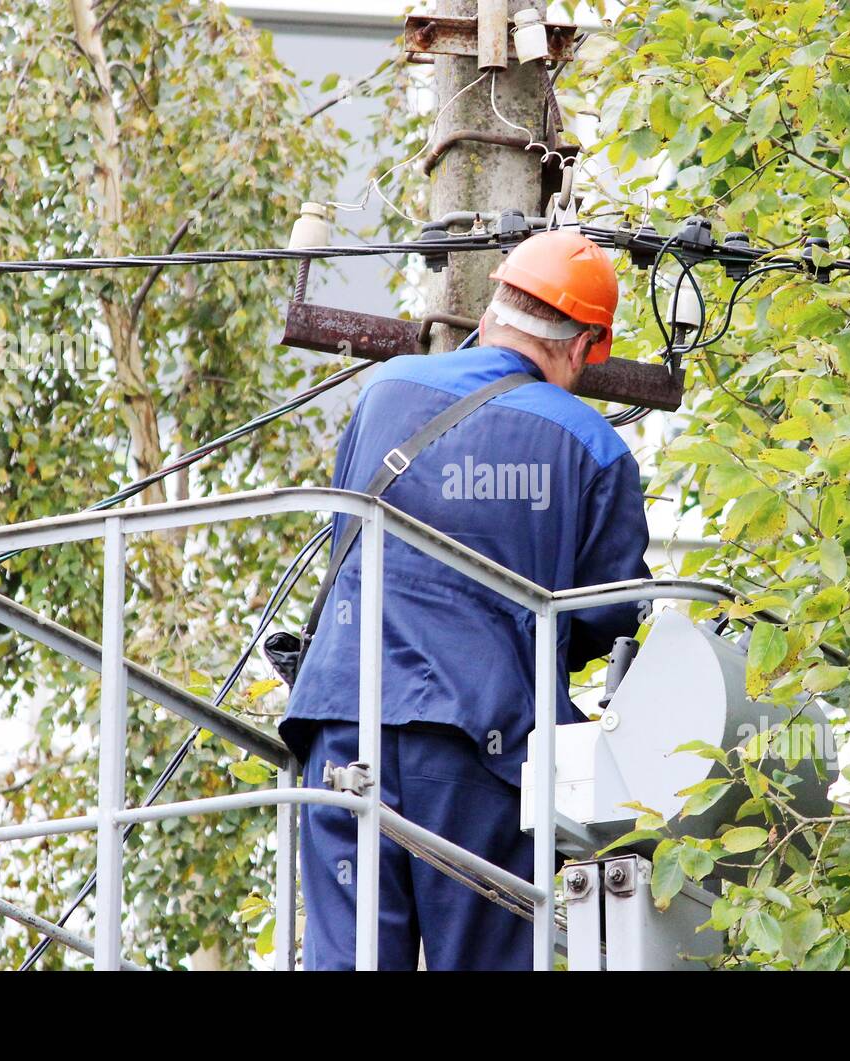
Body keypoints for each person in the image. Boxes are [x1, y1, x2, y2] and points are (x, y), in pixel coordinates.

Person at [280, 229, 651, 969]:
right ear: (583, 348)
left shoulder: (384, 391)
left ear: (493, 311)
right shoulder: (595, 447)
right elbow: (607, 626)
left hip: (342, 720)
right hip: (481, 750)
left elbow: (348, 539)